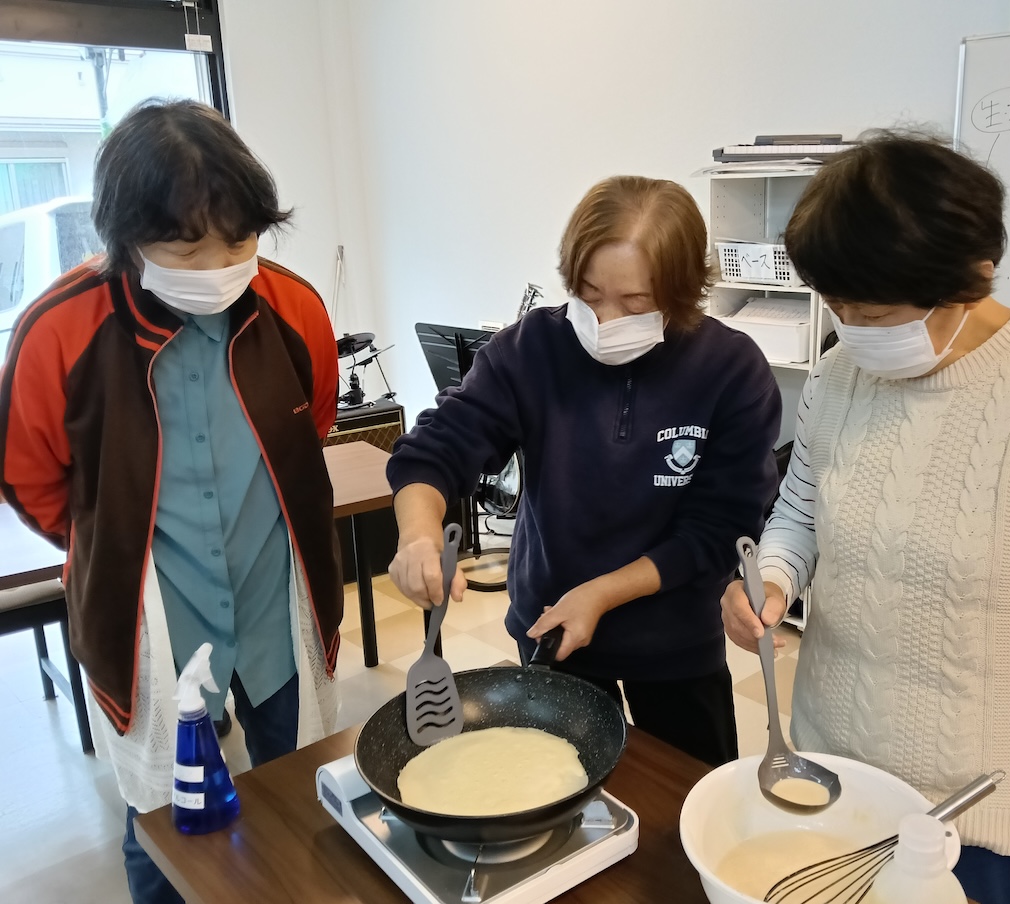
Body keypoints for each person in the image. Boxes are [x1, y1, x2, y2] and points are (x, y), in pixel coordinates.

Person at [720, 132, 1010, 904]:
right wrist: (770, 580)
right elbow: (801, 510)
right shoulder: (838, 375)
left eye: (873, 311)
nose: (851, 328)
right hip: (838, 774)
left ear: (973, 275)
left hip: (990, 821)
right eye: (838, 306)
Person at [0, 100, 342, 904]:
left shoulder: (292, 308)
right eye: (188, 248)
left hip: (275, 602)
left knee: (305, 790)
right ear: (126, 239)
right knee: (162, 825)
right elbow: (28, 477)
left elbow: (315, 422)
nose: (219, 265)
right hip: (154, 619)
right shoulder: (58, 330)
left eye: (240, 241)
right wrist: (112, 543)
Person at [387, 175, 781, 767]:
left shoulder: (731, 370)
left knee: (686, 792)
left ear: (681, 292)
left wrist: (600, 593)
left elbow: (718, 528)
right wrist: (418, 536)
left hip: (676, 639)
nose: (604, 320)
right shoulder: (531, 349)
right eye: (589, 294)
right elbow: (438, 447)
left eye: (635, 302)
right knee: (559, 785)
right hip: (552, 625)